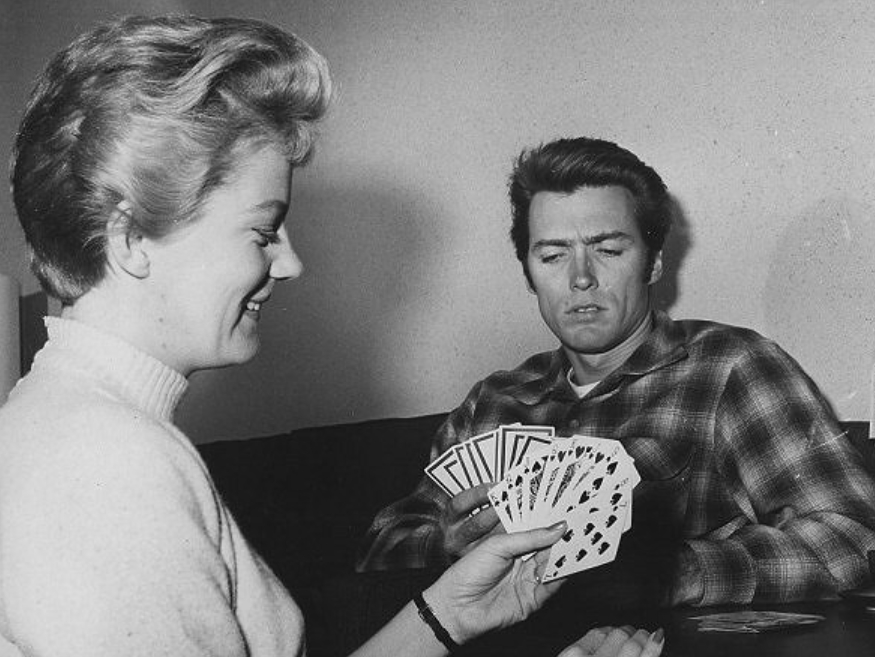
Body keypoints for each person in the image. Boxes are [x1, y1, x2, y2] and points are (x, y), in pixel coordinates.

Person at [0, 15, 663, 657]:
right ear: (129, 240)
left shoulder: (85, 426)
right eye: (263, 231)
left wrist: (446, 616)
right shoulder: (107, 461)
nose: (289, 263)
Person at [357, 136, 875, 608]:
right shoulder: (491, 401)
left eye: (607, 250)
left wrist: (676, 572)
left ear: (653, 263)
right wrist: (446, 546)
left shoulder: (731, 367)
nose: (581, 278)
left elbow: (853, 538)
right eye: (553, 255)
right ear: (529, 275)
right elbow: (382, 545)